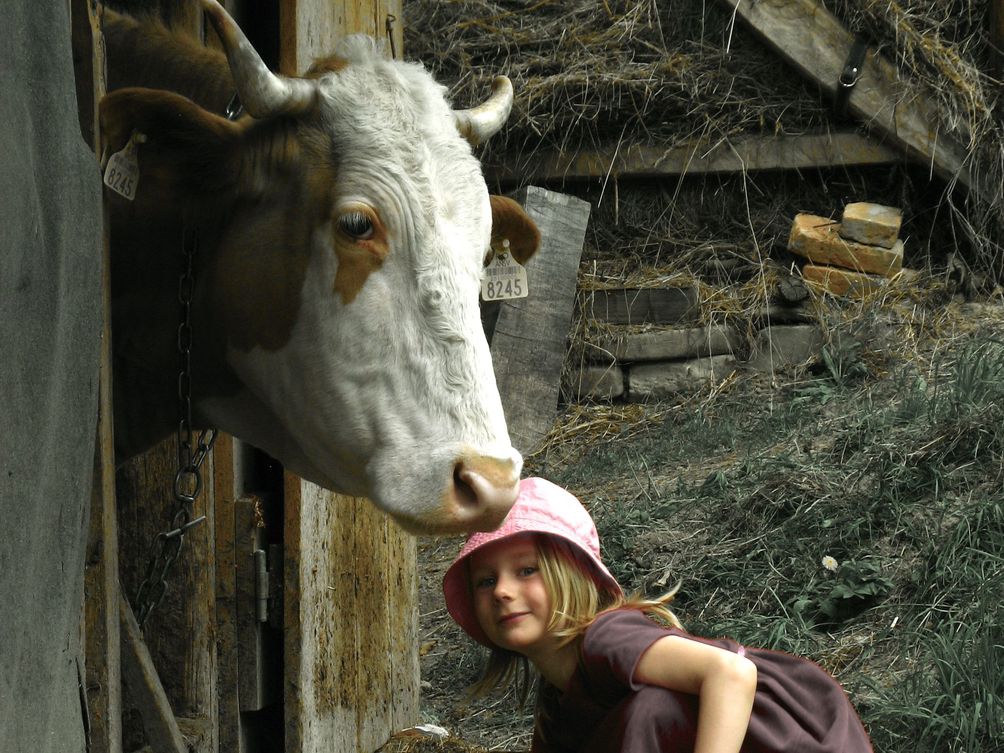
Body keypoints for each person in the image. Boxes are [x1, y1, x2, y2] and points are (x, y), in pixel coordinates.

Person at [442, 477, 874, 753]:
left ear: (574, 579)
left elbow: (732, 673)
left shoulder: (606, 637)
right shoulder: (557, 708)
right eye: (484, 581)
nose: (501, 591)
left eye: (526, 571)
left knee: (652, 710)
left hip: (802, 736)